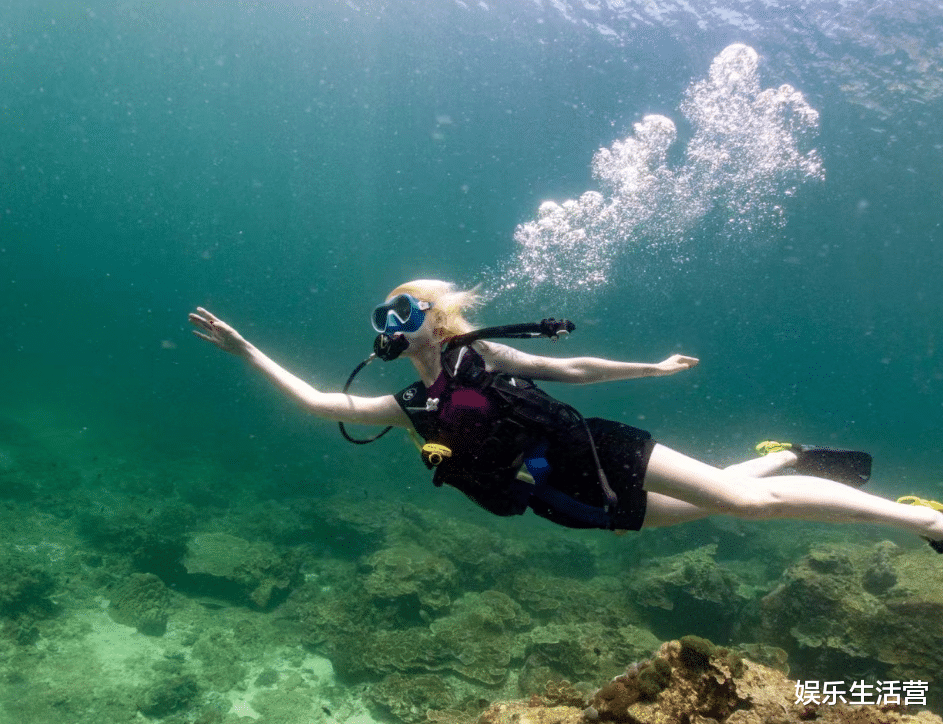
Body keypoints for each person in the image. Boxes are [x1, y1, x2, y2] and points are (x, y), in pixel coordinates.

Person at [189, 279, 943, 551]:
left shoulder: (480, 356)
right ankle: (785, 455)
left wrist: (648, 366)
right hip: (566, 501)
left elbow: (570, 368)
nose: (392, 317)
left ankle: (927, 524)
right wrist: (246, 351)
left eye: (407, 306)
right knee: (713, 507)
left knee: (743, 506)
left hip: (603, 453)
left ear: (438, 319)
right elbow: (326, 404)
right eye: (385, 310)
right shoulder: (411, 404)